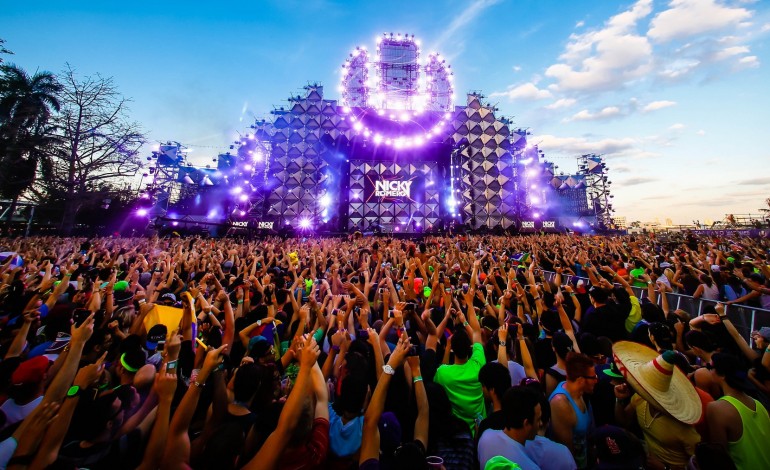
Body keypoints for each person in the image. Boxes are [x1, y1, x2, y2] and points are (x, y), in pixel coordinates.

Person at [613, 343, 702, 470]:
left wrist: (665, 468)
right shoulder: (640, 398)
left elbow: (699, 465)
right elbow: (623, 421)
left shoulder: (684, 427)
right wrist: (620, 400)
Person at [706, 352, 770, 469]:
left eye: (710, 367)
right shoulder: (758, 404)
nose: (708, 370)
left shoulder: (716, 409)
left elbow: (720, 458)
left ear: (722, 375)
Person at [548, 352, 596, 470]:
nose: (596, 380)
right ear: (580, 380)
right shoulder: (561, 404)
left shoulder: (579, 393)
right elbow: (567, 452)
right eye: (593, 377)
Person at [477, 386, 541, 470]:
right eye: (538, 419)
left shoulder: (485, 437)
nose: (540, 423)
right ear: (526, 423)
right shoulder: (530, 467)